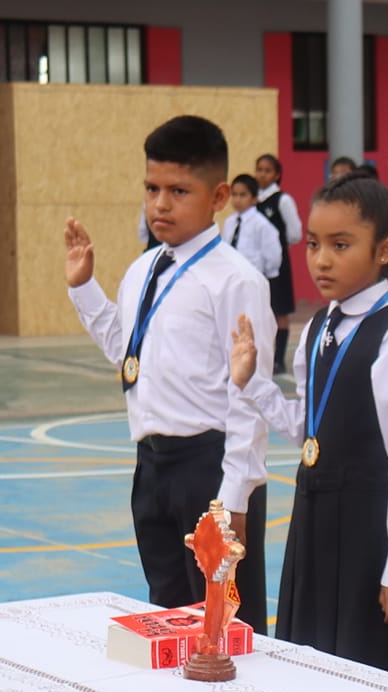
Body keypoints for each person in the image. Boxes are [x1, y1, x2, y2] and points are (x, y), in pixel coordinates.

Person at [229, 176, 388, 680]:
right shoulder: (319, 327)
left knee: (376, 680)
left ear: (385, 250)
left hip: (369, 539)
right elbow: (309, 429)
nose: (321, 260)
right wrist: (253, 382)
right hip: (315, 530)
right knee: (313, 674)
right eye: (314, 245)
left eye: (340, 246)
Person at [69, 116, 274, 631]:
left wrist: (234, 498)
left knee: (224, 623)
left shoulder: (236, 280)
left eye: (179, 191)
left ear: (219, 195)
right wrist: (84, 288)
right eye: (152, 188)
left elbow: (249, 394)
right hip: (153, 465)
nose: (161, 204)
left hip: (210, 467)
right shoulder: (142, 269)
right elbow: (126, 349)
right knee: (167, 610)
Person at [251, 153, 304, 374]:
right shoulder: (253, 200)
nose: (262, 174)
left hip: (277, 263)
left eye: (267, 170)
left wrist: (276, 246)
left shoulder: (282, 200)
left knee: (279, 310)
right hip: (255, 264)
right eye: (259, 169)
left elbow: (294, 232)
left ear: (277, 174)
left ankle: (279, 358)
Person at [223, 173, 283, 284]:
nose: (237, 200)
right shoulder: (230, 222)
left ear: (254, 199)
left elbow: (273, 258)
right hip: (231, 278)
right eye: (234, 195)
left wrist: (264, 274)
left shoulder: (261, 224)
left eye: (243, 195)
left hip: (253, 279)